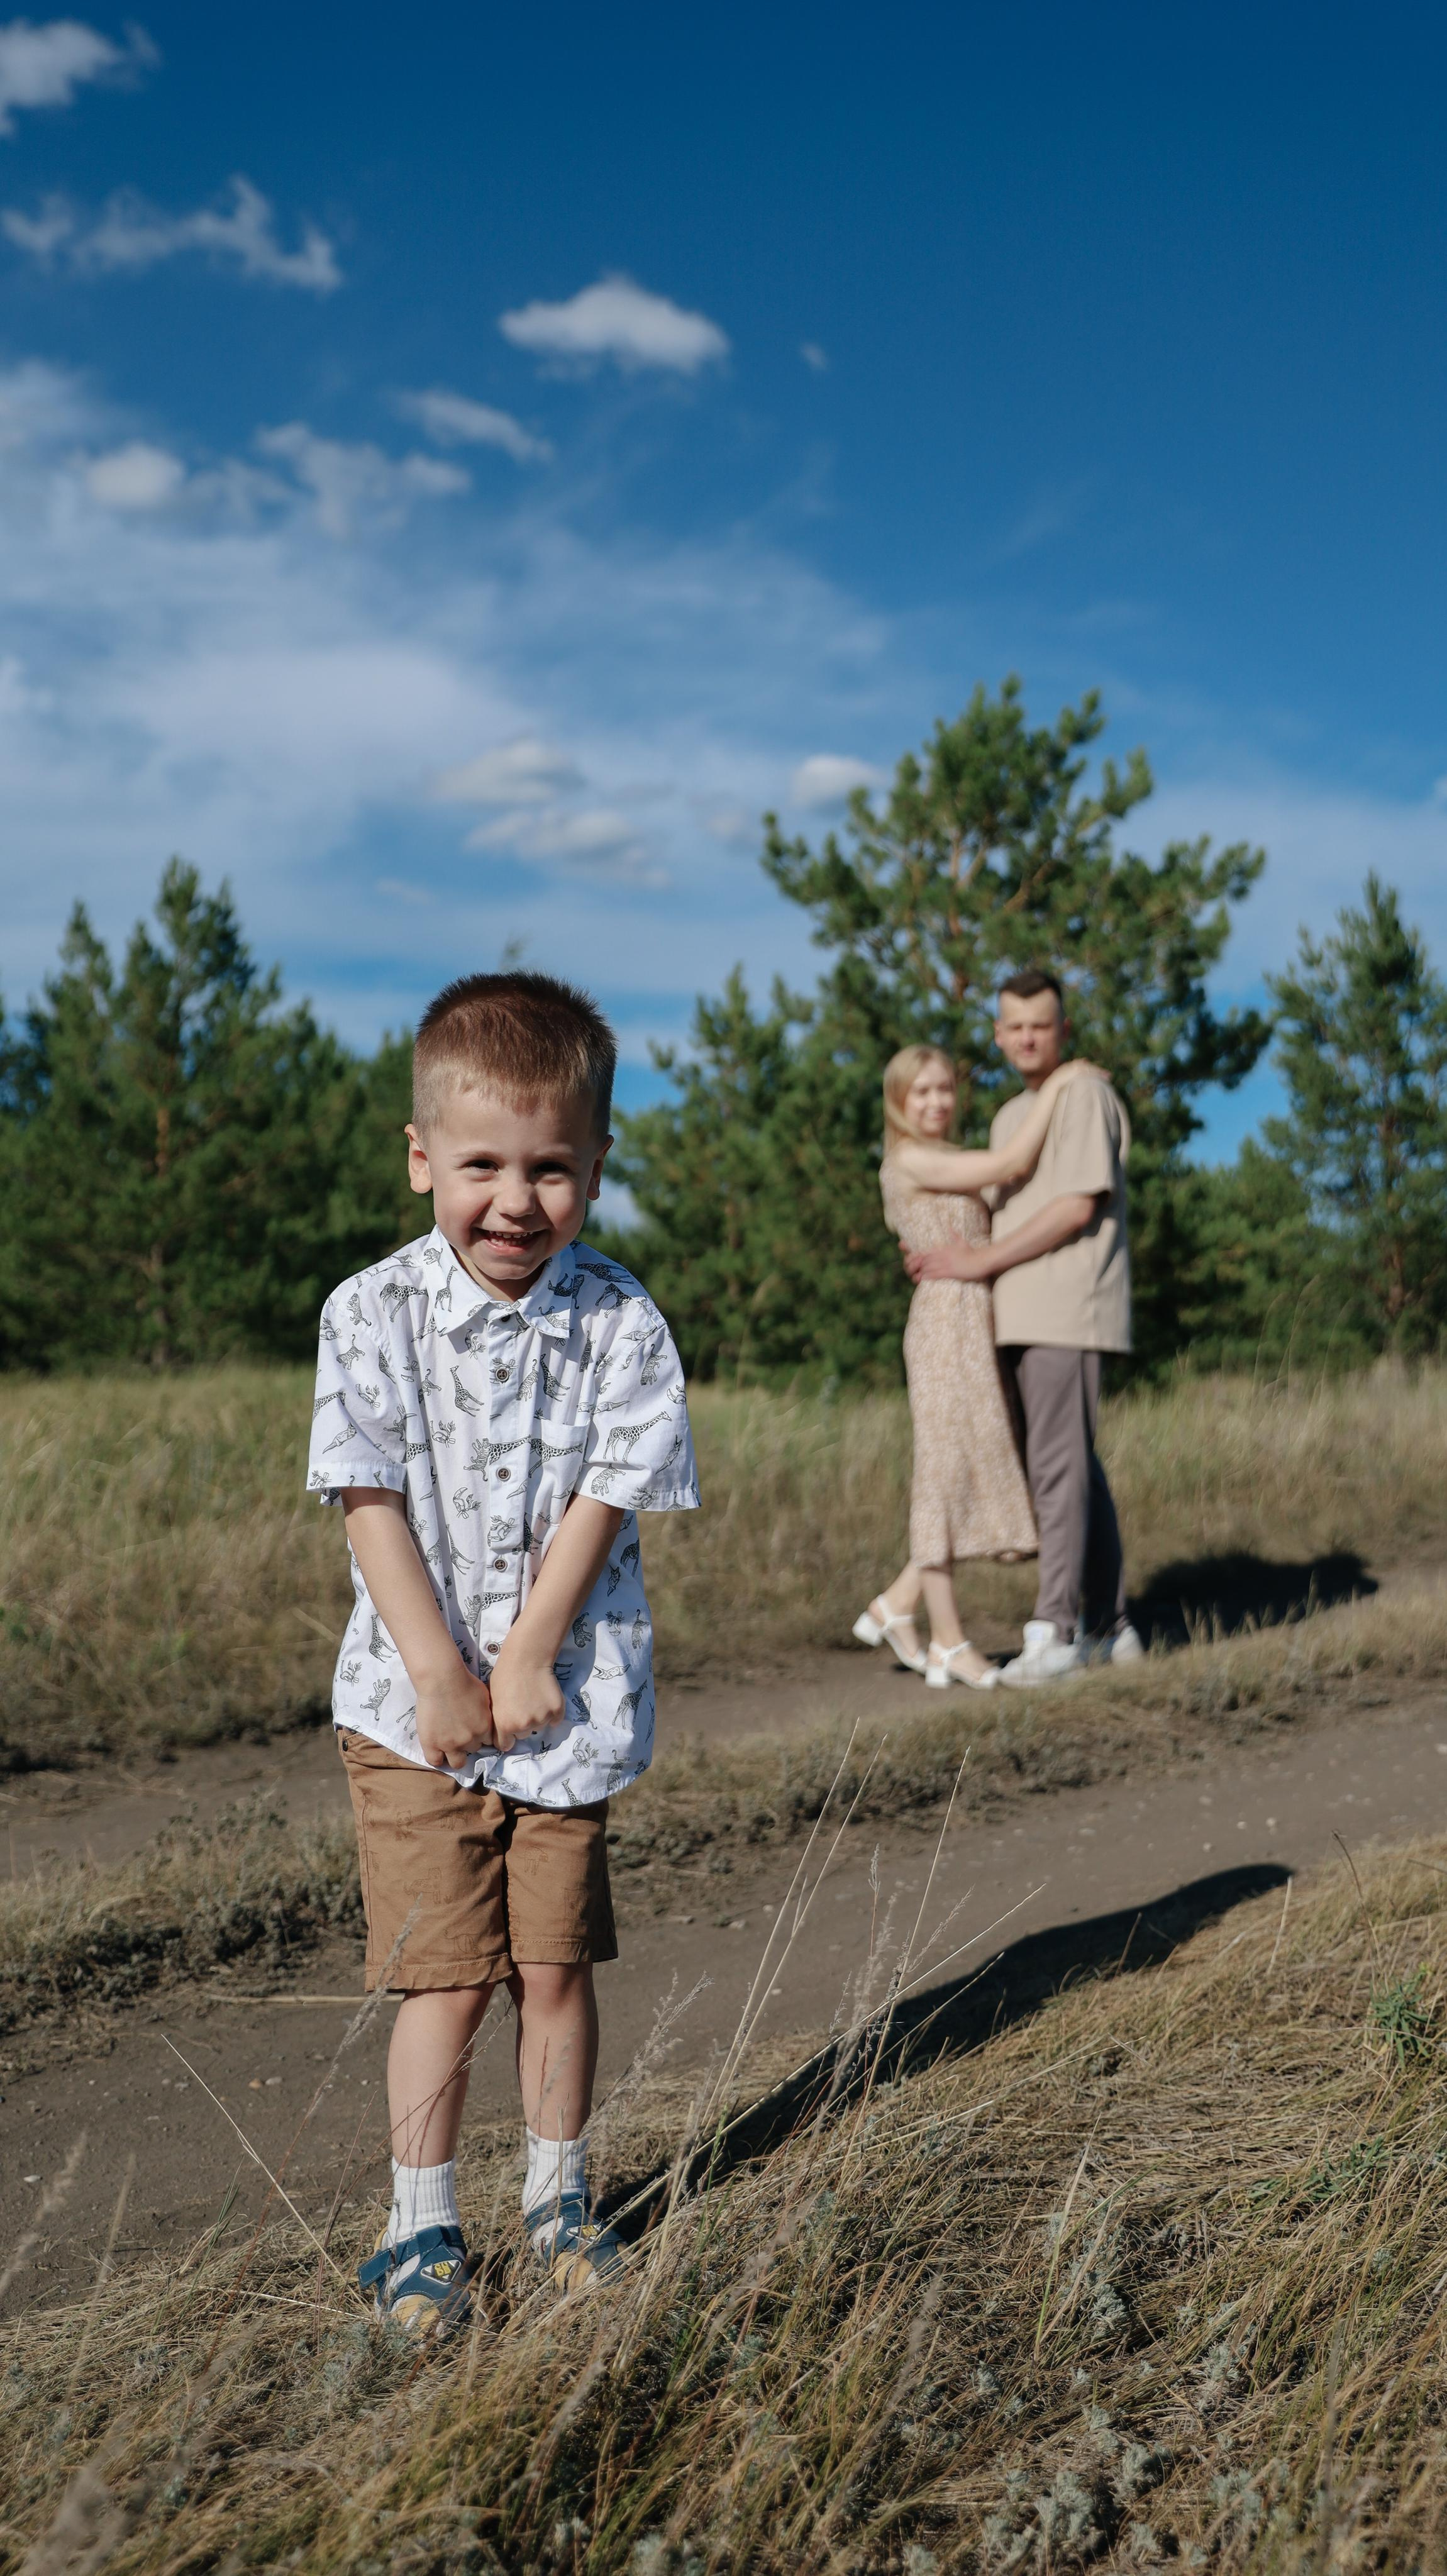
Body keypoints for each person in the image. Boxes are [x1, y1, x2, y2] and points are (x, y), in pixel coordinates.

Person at [306, 969, 697, 2336]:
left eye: (551, 1167)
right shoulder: (368, 1313)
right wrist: (435, 1669)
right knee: (444, 1969)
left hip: (562, 1701)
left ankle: (558, 2194)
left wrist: (528, 1648)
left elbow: (612, 1486)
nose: (514, 1200)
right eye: (482, 1163)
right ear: (423, 1157)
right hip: (407, 1709)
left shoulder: (619, 1320)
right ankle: (421, 2227)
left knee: (550, 1964)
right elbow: (368, 1496)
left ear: (595, 1163)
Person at [904, 969, 1142, 1686]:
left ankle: (1057, 1630)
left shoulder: (1086, 1093)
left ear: (1064, 1030)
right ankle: (1109, 1625)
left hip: (1068, 1303)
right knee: (1072, 1465)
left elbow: (1076, 1207)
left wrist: (977, 1261)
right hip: (1014, 1312)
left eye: (1043, 1023)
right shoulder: (1013, 1114)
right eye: (1016, 1025)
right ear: (1000, 1034)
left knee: (1058, 1466)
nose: (1028, 1035)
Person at [855, 1041, 1102, 1690]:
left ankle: (896, 1606)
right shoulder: (910, 1158)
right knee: (941, 1477)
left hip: (974, 1319)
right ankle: (949, 1643)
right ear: (900, 1102)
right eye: (922, 1093)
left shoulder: (950, 1158)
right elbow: (1017, 1158)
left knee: (965, 1469)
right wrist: (1063, 1080)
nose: (937, 1101)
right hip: (944, 1321)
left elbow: (1014, 1178)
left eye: (944, 1089)